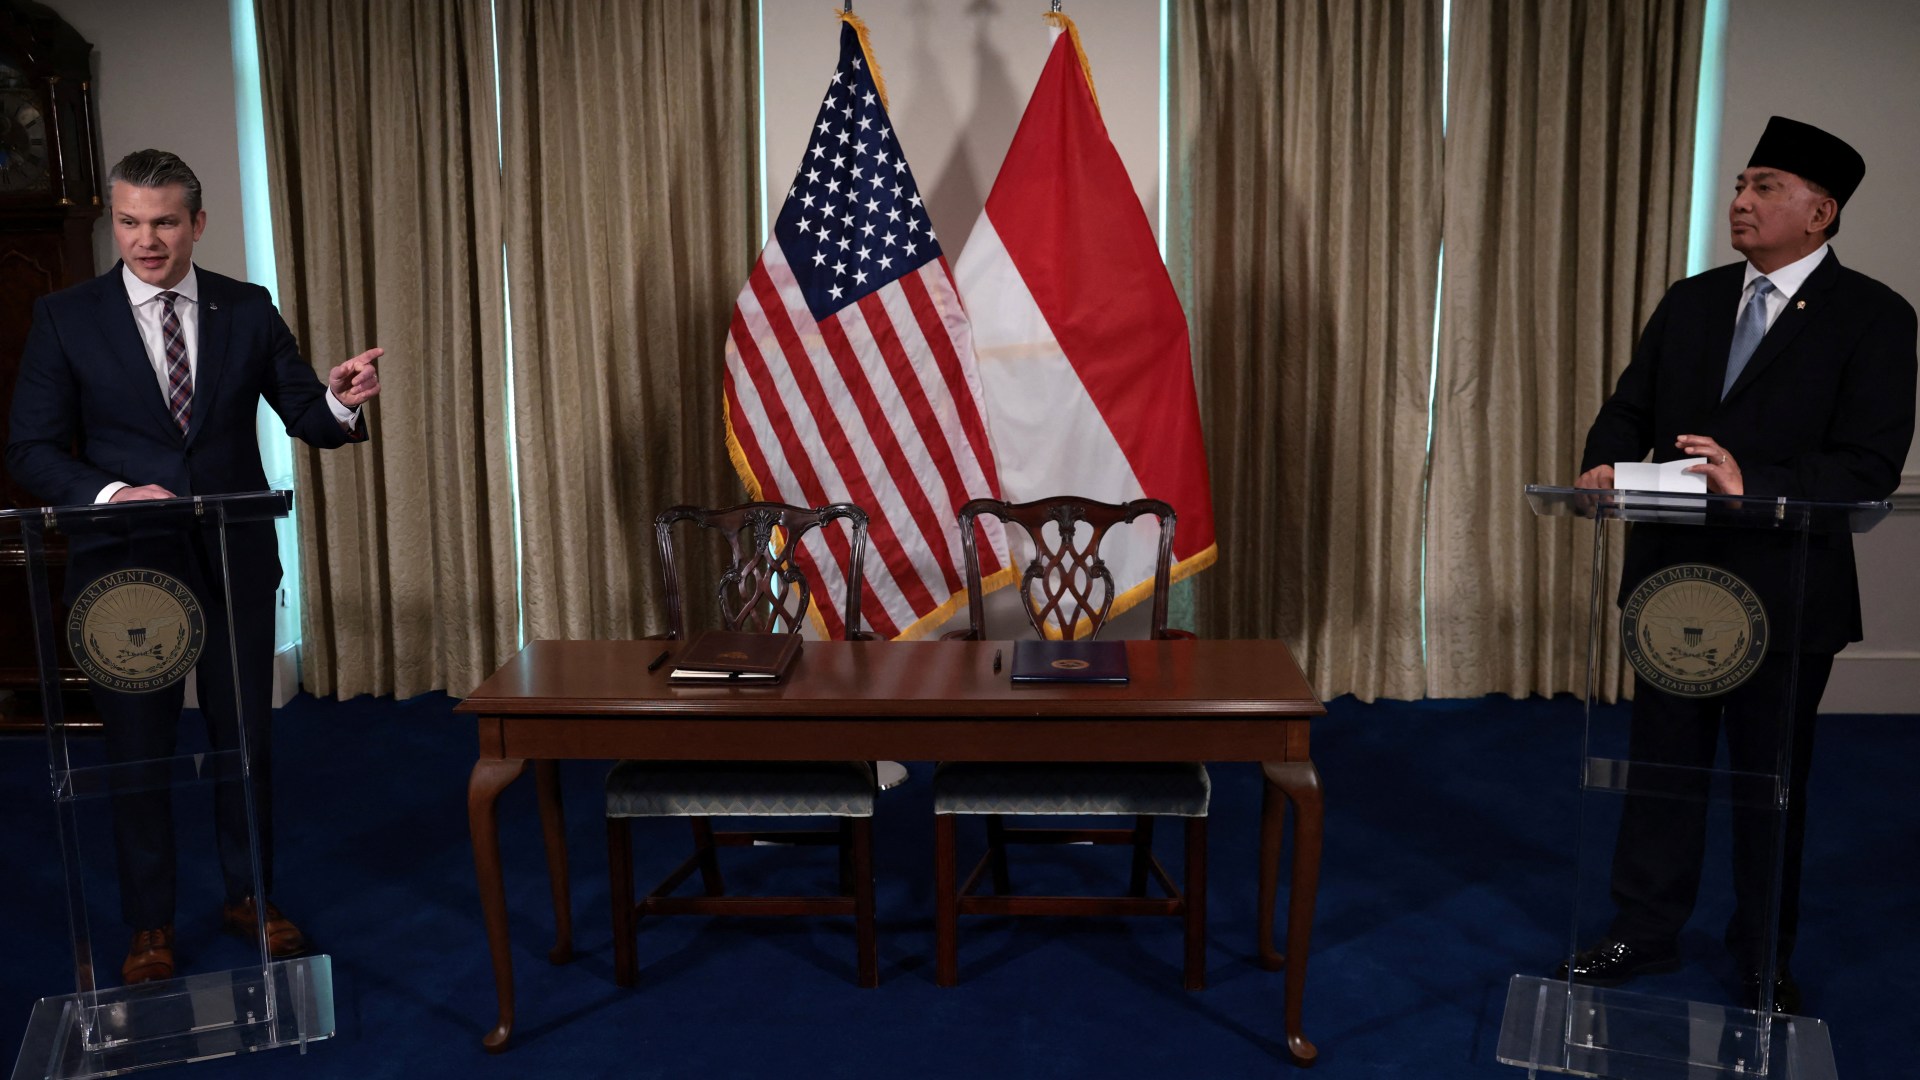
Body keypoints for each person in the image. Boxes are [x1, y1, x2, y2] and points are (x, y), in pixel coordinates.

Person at [1565, 117, 1916, 1013]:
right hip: (1673, 583)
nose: (1740, 201)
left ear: (1821, 212)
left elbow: (1870, 466)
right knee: (1662, 770)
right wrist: (1603, 464)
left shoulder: (1875, 316)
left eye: (1764, 187)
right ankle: (1643, 930)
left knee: (1771, 784)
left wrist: (1750, 483)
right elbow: (1628, 408)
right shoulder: (1692, 299)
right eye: (1739, 185)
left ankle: (1762, 954)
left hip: (1785, 593)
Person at [5, 149, 382, 985]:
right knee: (138, 750)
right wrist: (111, 493)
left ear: (197, 223)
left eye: (165, 222)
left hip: (231, 558)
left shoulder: (247, 307)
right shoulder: (65, 316)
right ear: (116, 221)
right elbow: (30, 448)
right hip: (124, 574)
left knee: (244, 740)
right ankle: (151, 924)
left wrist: (338, 400)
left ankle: (250, 895)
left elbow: (306, 413)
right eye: (130, 222)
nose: (146, 240)